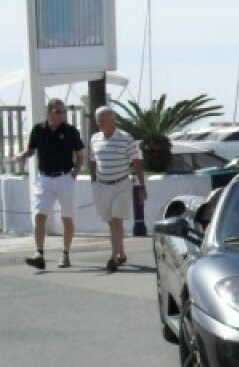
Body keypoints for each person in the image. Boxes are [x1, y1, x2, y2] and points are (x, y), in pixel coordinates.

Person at [17, 98, 86, 270]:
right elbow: (32, 150)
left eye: (64, 112)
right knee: (39, 215)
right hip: (45, 178)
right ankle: (39, 253)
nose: (62, 115)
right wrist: (23, 155)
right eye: (58, 112)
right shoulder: (39, 130)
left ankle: (65, 254)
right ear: (49, 113)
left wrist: (75, 173)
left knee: (67, 217)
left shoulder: (70, 131)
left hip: (64, 177)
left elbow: (80, 155)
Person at [88, 106, 147, 272]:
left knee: (116, 220)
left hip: (121, 184)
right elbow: (93, 160)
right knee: (110, 221)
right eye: (98, 120)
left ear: (112, 120)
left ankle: (113, 257)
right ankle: (121, 253)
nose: (99, 123)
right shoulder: (95, 139)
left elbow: (137, 163)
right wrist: (94, 180)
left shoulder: (126, 139)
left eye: (103, 120)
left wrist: (142, 185)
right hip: (102, 186)